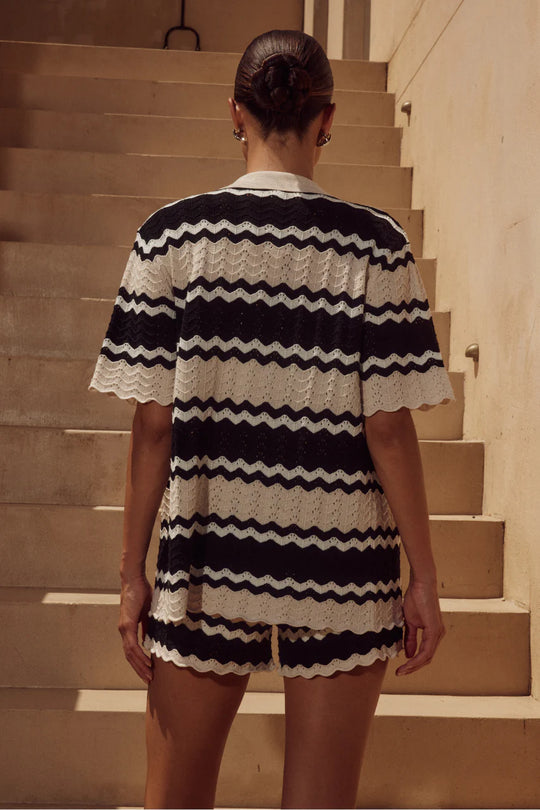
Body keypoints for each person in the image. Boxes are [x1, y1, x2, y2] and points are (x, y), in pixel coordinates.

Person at [89, 28, 455, 810]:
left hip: (208, 556)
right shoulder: (377, 247)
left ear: (236, 112)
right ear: (328, 119)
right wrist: (423, 577)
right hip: (342, 562)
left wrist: (130, 576)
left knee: (174, 799)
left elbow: (153, 425)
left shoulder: (171, 236)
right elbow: (388, 429)